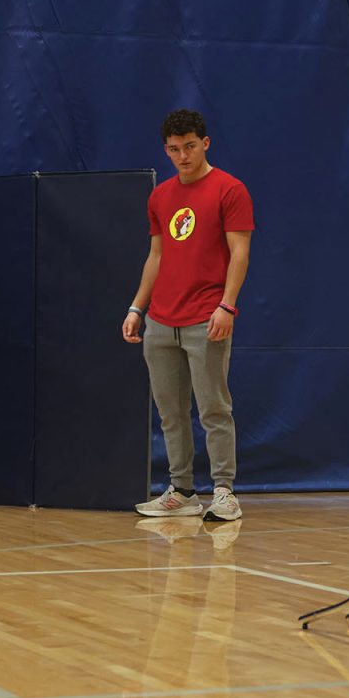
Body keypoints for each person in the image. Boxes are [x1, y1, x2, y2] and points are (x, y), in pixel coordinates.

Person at [123, 109, 255, 522]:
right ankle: (182, 491)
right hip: (161, 320)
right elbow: (157, 255)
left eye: (190, 147)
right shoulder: (160, 196)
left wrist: (227, 305)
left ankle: (223, 491)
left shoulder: (230, 190)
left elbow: (240, 253)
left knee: (213, 408)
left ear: (206, 143)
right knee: (170, 411)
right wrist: (137, 307)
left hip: (206, 317)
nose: (183, 156)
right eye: (174, 150)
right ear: (166, 150)